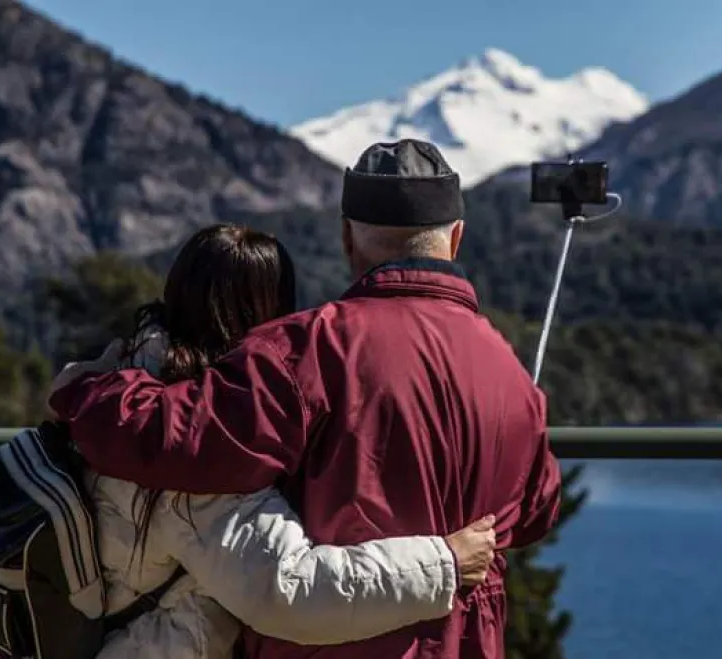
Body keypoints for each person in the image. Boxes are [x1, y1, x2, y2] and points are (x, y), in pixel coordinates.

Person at [50, 139, 563, 659]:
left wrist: (84, 389)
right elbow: (539, 510)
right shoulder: (513, 376)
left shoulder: (306, 351)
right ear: (456, 238)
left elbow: (170, 438)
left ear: (347, 238)